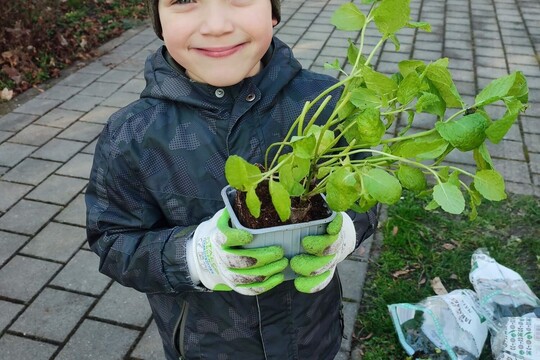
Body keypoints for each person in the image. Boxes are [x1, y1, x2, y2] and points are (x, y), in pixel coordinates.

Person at [85, 0, 378, 359]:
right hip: (205, 345)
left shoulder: (326, 102)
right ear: (159, 21)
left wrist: (346, 230)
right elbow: (113, 240)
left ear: (273, 12)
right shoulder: (132, 134)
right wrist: (196, 257)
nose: (216, 25)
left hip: (310, 336)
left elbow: (364, 192)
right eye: (184, 0)